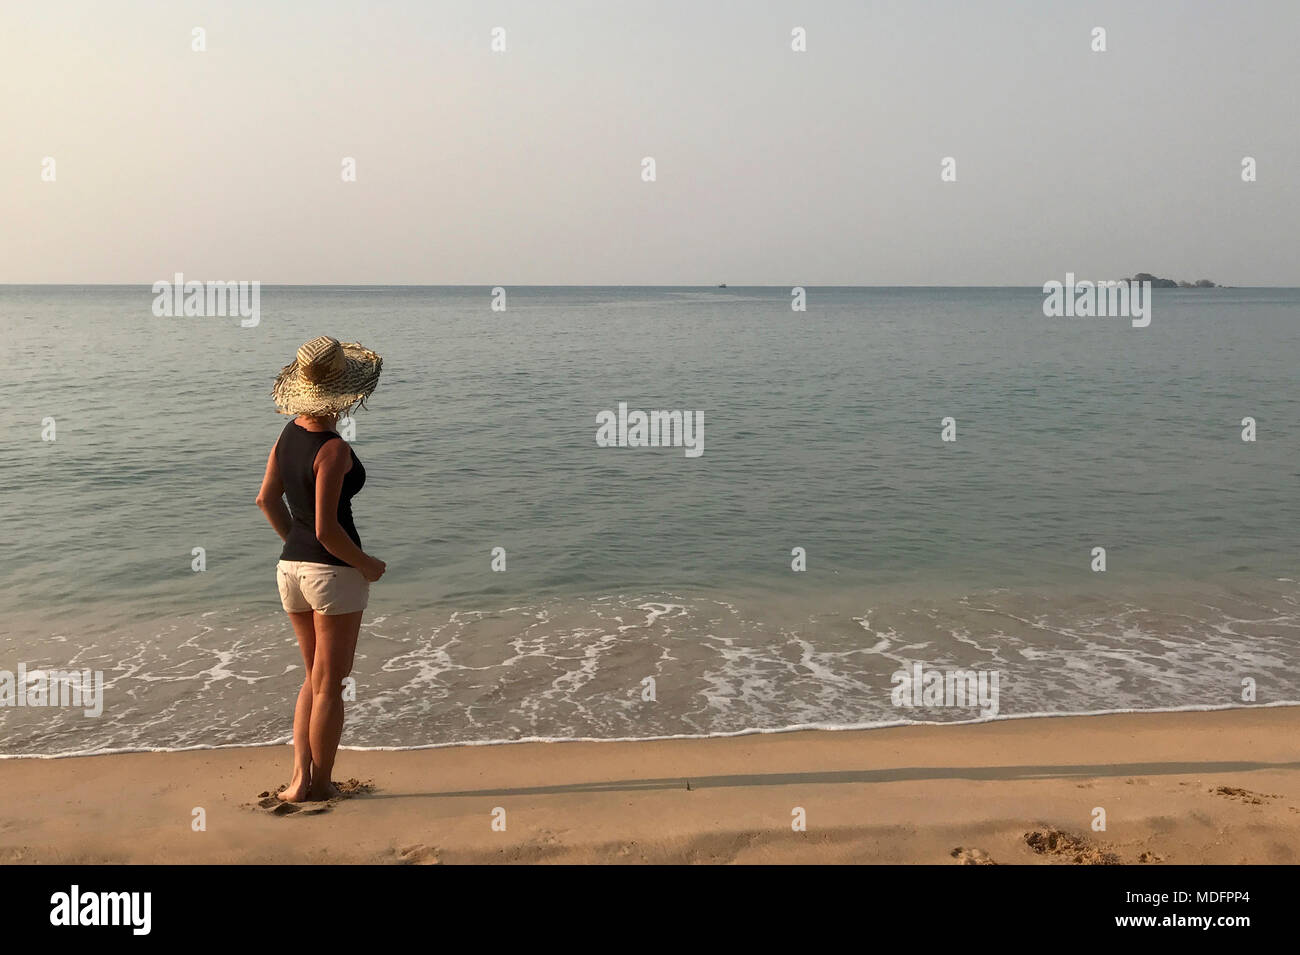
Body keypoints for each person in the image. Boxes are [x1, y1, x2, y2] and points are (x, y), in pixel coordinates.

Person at [256, 336, 385, 801]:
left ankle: (298, 780)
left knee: (313, 676)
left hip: (290, 569)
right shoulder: (333, 449)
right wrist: (367, 565)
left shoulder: (287, 434)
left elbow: (266, 500)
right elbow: (328, 530)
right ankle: (322, 784)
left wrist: (296, 545)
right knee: (331, 683)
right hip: (332, 573)